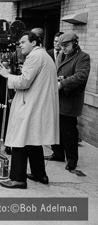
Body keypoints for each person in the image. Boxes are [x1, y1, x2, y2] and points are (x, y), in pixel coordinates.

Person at [0, 31, 59, 189]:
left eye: (23, 42)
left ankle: (17, 178)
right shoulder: (43, 56)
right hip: (37, 103)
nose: (20, 45)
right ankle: (40, 174)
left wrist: (7, 75)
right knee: (32, 139)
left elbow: (24, 82)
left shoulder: (34, 56)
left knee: (20, 139)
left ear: (34, 43)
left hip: (30, 103)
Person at [45, 32, 91, 171]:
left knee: (69, 132)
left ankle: (72, 160)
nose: (63, 48)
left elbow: (81, 76)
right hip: (57, 99)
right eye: (61, 46)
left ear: (75, 44)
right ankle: (58, 153)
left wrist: (62, 83)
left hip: (69, 99)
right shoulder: (61, 55)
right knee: (55, 129)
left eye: (66, 46)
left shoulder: (83, 57)